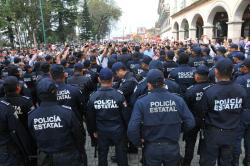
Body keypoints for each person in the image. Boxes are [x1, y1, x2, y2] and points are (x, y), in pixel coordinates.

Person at [127, 69, 195, 165]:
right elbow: (190, 122)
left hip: (151, 147)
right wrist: (178, 129)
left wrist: (138, 142)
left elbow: (132, 129)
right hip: (172, 146)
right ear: (163, 82)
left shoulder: (141, 102)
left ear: (149, 84)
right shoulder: (177, 100)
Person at [199, 58, 247, 166]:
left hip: (213, 133)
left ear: (216, 72)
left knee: (208, 161)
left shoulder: (209, 91)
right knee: (226, 161)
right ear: (232, 71)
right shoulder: (241, 90)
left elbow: (202, 112)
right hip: (232, 132)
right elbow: (243, 109)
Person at [28, 78, 87, 166]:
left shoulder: (32, 116)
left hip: (45, 158)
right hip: (67, 157)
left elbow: (33, 136)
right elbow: (79, 136)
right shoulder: (67, 113)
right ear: (55, 92)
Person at [87, 68, 129, 166]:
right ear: (113, 78)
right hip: (118, 130)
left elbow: (90, 118)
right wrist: (126, 130)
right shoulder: (119, 95)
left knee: (102, 154)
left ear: (99, 79)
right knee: (121, 154)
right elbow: (125, 115)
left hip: (101, 131)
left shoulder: (93, 97)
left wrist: (93, 131)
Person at [182, 65, 213, 166]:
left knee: (190, 144)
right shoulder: (213, 87)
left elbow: (185, 108)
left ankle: (186, 163)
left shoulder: (191, 90)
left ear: (198, 77)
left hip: (193, 120)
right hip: (208, 119)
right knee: (206, 143)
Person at [233, 58, 250, 166]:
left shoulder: (240, 79)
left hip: (242, 113)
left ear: (246, 67)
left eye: (242, 67)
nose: (240, 68)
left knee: (237, 138)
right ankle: (248, 161)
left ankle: (235, 162)